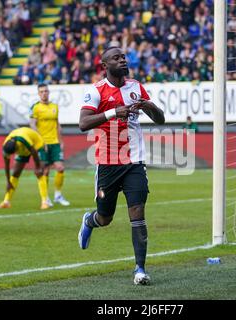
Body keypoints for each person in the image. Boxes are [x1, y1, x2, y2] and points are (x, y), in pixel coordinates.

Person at [78, 46, 165, 285]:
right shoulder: (96, 91)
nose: (122, 60)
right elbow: (83, 123)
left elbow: (160, 119)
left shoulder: (136, 87)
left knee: (137, 212)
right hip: (107, 163)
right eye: (116, 58)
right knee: (105, 218)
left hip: (134, 162)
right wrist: (113, 112)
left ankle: (140, 269)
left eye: (123, 57)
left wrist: (149, 106)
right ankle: (89, 221)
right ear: (104, 65)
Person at [29, 84, 70, 207]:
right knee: (45, 171)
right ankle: (45, 198)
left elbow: (58, 125)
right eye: (41, 92)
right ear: (38, 94)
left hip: (55, 142)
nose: (44, 93)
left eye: (46, 91)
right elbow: (32, 125)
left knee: (60, 168)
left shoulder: (54, 106)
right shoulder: (35, 107)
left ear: (49, 92)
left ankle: (58, 195)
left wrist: (61, 141)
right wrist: (40, 141)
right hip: (43, 143)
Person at [0, 127, 50, 210]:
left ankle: (45, 202)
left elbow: (33, 151)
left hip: (37, 144)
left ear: (16, 148)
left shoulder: (23, 139)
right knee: (16, 172)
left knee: (39, 173)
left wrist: (37, 167)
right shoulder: (6, 146)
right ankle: (6, 202)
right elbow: (6, 165)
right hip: (24, 149)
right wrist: (8, 181)